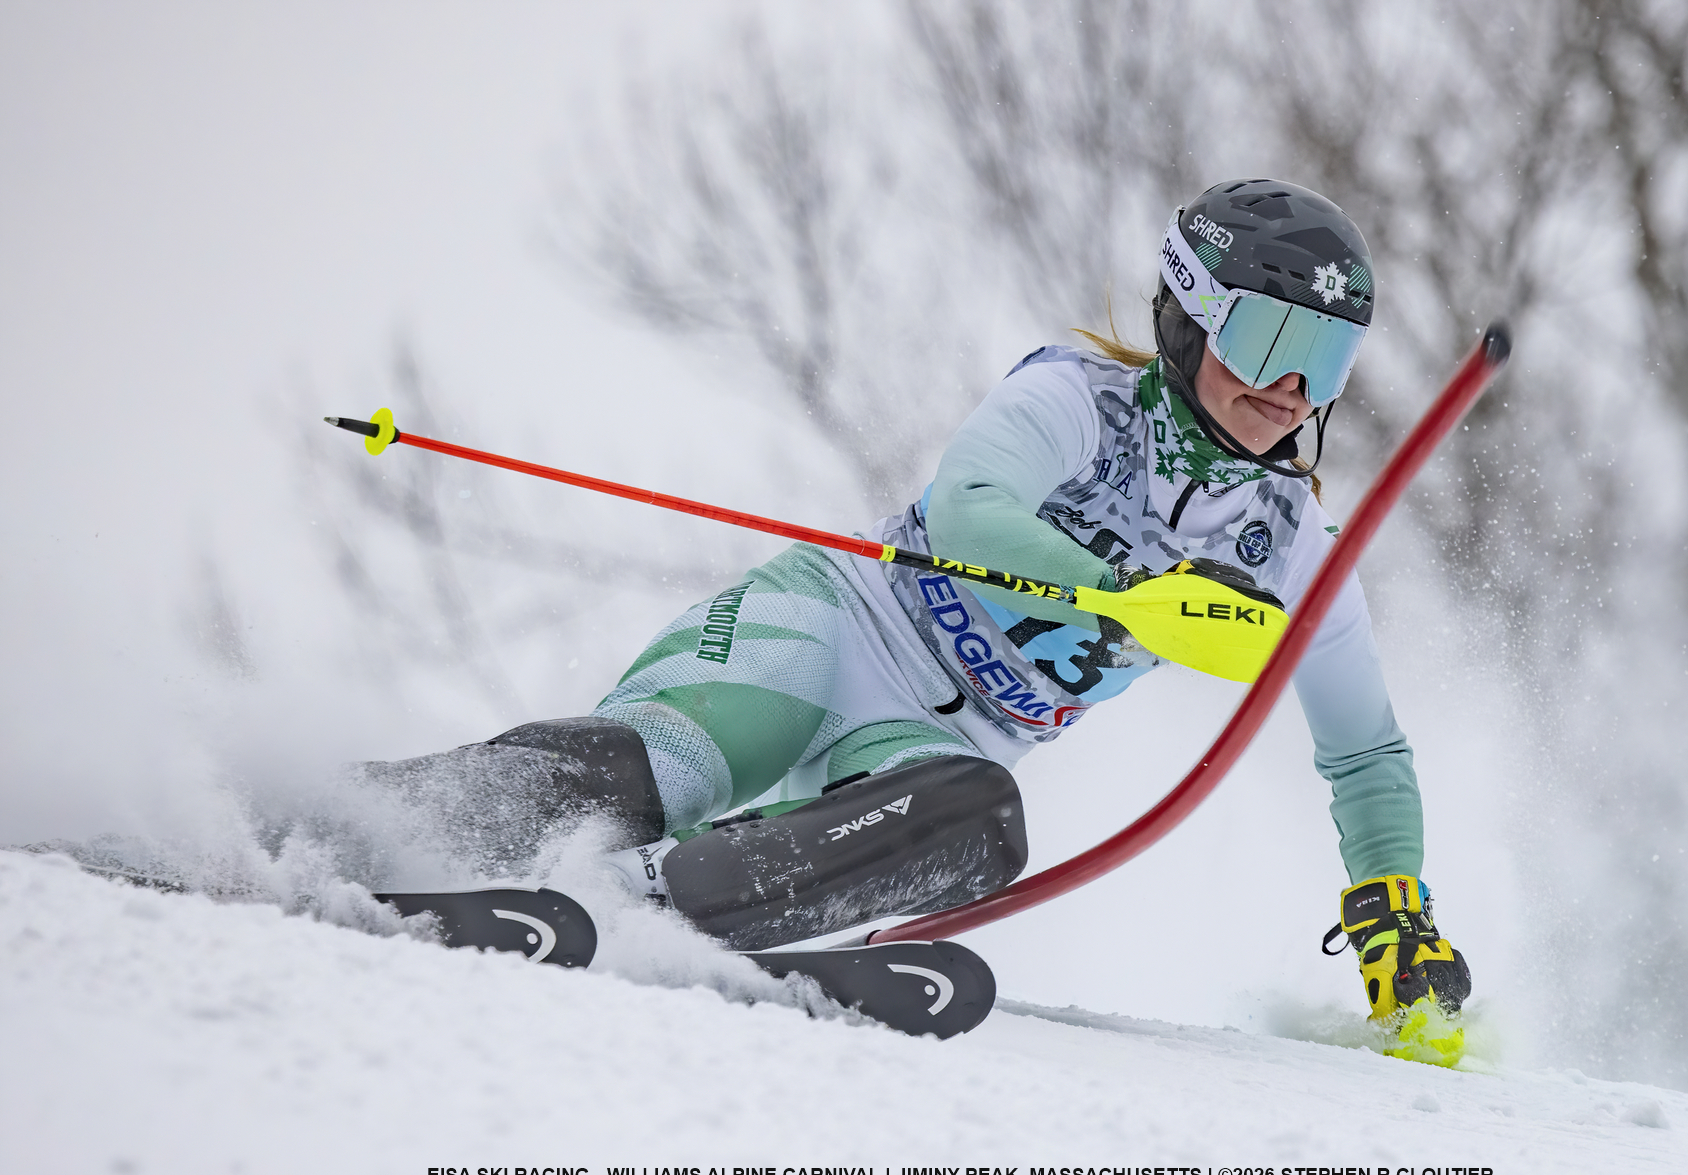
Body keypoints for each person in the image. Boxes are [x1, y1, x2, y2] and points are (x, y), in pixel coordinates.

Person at [368, 179, 1468, 1028]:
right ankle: (359, 822)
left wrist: (1393, 912)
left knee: (981, 824)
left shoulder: (1290, 544)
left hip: (930, 742)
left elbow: (1365, 747)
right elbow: (972, 505)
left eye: (1328, 360)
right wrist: (1133, 598)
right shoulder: (1081, 398)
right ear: (1190, 315)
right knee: (674, 763)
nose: (1292, 389)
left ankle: (633, 901)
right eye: (1273, 340)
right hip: (834, 629)